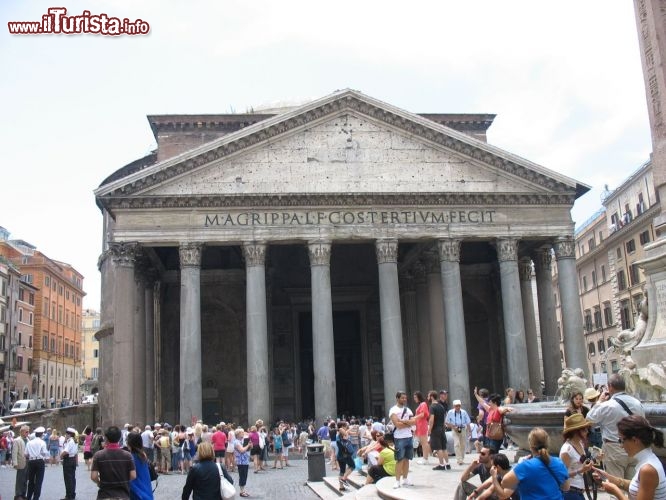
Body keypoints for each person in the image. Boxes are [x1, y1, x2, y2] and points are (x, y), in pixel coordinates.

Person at [586, 373, 644, 482]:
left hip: (614, 449)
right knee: (633, 487)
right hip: (635, 447)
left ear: (610, 387)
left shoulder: (607, 405)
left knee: (616, 487)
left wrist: (599, 401)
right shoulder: (637, 403)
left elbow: (588, 419)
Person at [592, 415, 666, 499]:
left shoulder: (647, 469)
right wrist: (609, 477)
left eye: (621, 440)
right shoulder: (648, 461)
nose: (621, 446)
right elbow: (636, 486)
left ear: (635, 440)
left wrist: (615, 491)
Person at [492, 427, 569, 499]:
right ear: (547, 443)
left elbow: (505, 483)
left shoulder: (525, 466)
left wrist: (518, 464)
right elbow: (566, 487)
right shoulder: (559, 462)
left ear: (530, 446)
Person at [91, 426, 136, 499]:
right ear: (119, 437)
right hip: (123, 495)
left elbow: (94, 476)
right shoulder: (128, 455)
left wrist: (99, 483)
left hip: (105, 495)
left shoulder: (98, 455)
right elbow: (133, 475)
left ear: (106, 438)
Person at [560, 414, 595, 500]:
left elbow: (582, 465)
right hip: (570, 492)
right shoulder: (566, 450)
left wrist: (596, 458)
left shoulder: (580, 444)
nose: (587, 431)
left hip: (579, 490)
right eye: (584, 429)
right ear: (575, 431)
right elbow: (562, 476)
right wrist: (580, 470)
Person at [388, 390, 416, 489]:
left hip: (409, 436)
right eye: (402, 398)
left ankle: (405, 479)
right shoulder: (393, 410)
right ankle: (397, 481)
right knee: (399, 460)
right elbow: (397, 425)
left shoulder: (408, 410)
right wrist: (408, 423)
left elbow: (414, 422)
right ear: (397, 398)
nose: (404, 399)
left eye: (405, 398)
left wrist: (403, 421)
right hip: (399, 438)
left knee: (407, 459)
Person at [474, 389, 513, 454]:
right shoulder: (490, 409)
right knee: (489, 454)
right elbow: (482, 402)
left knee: (493, 454)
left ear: (494, 402)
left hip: (495, 436)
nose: (488, 403)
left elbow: (505, 409)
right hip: (488, 435)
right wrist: (476, 395)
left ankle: (496, 463)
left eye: (490, 402)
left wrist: (507, 408)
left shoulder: (499, 409)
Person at [427, 389, 451, 470]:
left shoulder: (432, 407)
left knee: (438, 448)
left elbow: (431, 419)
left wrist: (429, 429)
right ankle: (447, 464)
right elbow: (444, 418)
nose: (427, 398)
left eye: (428, 396)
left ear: (431, 397)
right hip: (442, 428)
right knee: (444, 447)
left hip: (435, 429)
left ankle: (441, 465)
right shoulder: (441, 406)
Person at [126, 432, 154, 500]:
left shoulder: (130, 457)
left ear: (129, 443)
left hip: (136, 492)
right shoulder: (143, 455)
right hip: (146, 491)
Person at [25, 425, 49, 500]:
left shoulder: (29, 442)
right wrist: (45, 458)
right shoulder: (42, 442)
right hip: (39, 461)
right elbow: (45, 453)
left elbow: (26, 454)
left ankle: (28, 497)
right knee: (39, 480)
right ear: (42, 434)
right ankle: (36, 498)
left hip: (31, 461)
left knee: (31, 480)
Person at [446, 399, 472, 465]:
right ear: (454, 406)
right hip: (455, 429)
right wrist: (453, 426)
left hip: (463, 429)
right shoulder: (450, 412)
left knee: (463, 444)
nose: (458, 407)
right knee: (457, 444)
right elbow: (446, 422)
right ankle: (459, 459)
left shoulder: (463, 412)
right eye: (456, 406)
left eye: (459, 406)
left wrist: (470, 431)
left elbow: (468, 422)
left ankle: (462, 458)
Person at [60, 427, 79, 500]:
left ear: (69, 434)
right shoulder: (75, 441)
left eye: (67, 434)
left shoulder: (70, 441)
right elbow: (76, 452)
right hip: (73, 459)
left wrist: (60, 456)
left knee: (68, 479)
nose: (66, 435)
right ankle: (72, 494)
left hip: (68, 460)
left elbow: (66, 451)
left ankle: (69, 496)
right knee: (72, 478)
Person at [12, 425, 30, 500]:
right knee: (20, 479)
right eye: (26, 432)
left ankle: (23, 493)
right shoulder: (17, 440)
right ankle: (18, 494)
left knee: (26, 479)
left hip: (28, 462)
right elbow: (14, 452)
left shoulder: (28, 440)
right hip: (21, 462)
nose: (28, 433)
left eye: (28, 432)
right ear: (22, 432)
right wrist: (15, 463)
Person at [233, 428, 252, 497]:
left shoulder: (242, 441)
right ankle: (241, 492)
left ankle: (243, 490)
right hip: (241, 462)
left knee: (244, 476)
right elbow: (241, 450)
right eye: (242, 433)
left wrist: (250, 445)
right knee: (242, 476)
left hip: (245, 461)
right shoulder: (236, 442)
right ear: (238, 434)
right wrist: (248, 446)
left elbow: (248, 449)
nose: (243, 434)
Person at [413, 391, 431, 464]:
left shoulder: (423, 404)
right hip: (420, 425)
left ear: (418, 397)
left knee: (424, 443)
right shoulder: (422, 404)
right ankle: (425, 458)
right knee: (423, 443)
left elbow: (423, 414)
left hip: (422, 425)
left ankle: (425, 459)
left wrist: (414, 418)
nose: (414, 399)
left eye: (415, 397)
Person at [336, 427, 355, 491]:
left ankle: (341, 487)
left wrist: (344, 431)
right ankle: (344, 478)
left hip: (339, 456)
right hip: (346, 456)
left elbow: (341, 431)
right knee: (352, 466)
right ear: (344, 434)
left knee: (342, 471)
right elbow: (351, 451)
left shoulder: (338, 439)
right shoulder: (347, 441)